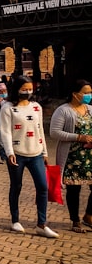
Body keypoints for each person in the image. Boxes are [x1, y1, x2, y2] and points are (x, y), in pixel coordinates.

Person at [0, 75, 55, 238]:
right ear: (16, 89)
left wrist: (44, 152)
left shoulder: (36, 107)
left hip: (36, 152)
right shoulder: (8, 107)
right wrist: (9, 152)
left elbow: (40, 131)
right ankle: (15, 220)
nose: (28, 91)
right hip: (17, 154)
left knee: (43, 186)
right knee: (16, 186)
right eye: (24, 89)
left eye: (30, 88)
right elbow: (6, 132)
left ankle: (41, 224)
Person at [49, 79, 92, 233]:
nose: (89, 95)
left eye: (90, 92)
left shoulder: (90, 109)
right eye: (85, 92)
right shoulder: (63, 110)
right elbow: (54, 132)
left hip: (90, 156)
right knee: (74, 189)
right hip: (72, 157)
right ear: (75, 94)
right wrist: (78, 137)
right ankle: (75, 220)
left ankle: (89, 215)